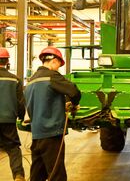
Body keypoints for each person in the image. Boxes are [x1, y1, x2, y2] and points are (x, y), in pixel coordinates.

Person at [24, 46, 81, 181]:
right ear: (54, 61)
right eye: (59, 65)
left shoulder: (31, 81)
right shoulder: (52, 76)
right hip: (51, 134)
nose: (58, 69)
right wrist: (73, 103)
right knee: (57, 174)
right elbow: (73, 91)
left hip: (37, 135)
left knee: (37, 174)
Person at [0, 47, 26, 181]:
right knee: (13, 148)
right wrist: (21, 117)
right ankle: (18, 175)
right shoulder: (14, 80)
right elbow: (20, 102)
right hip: (8, 120)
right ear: (7, 62)